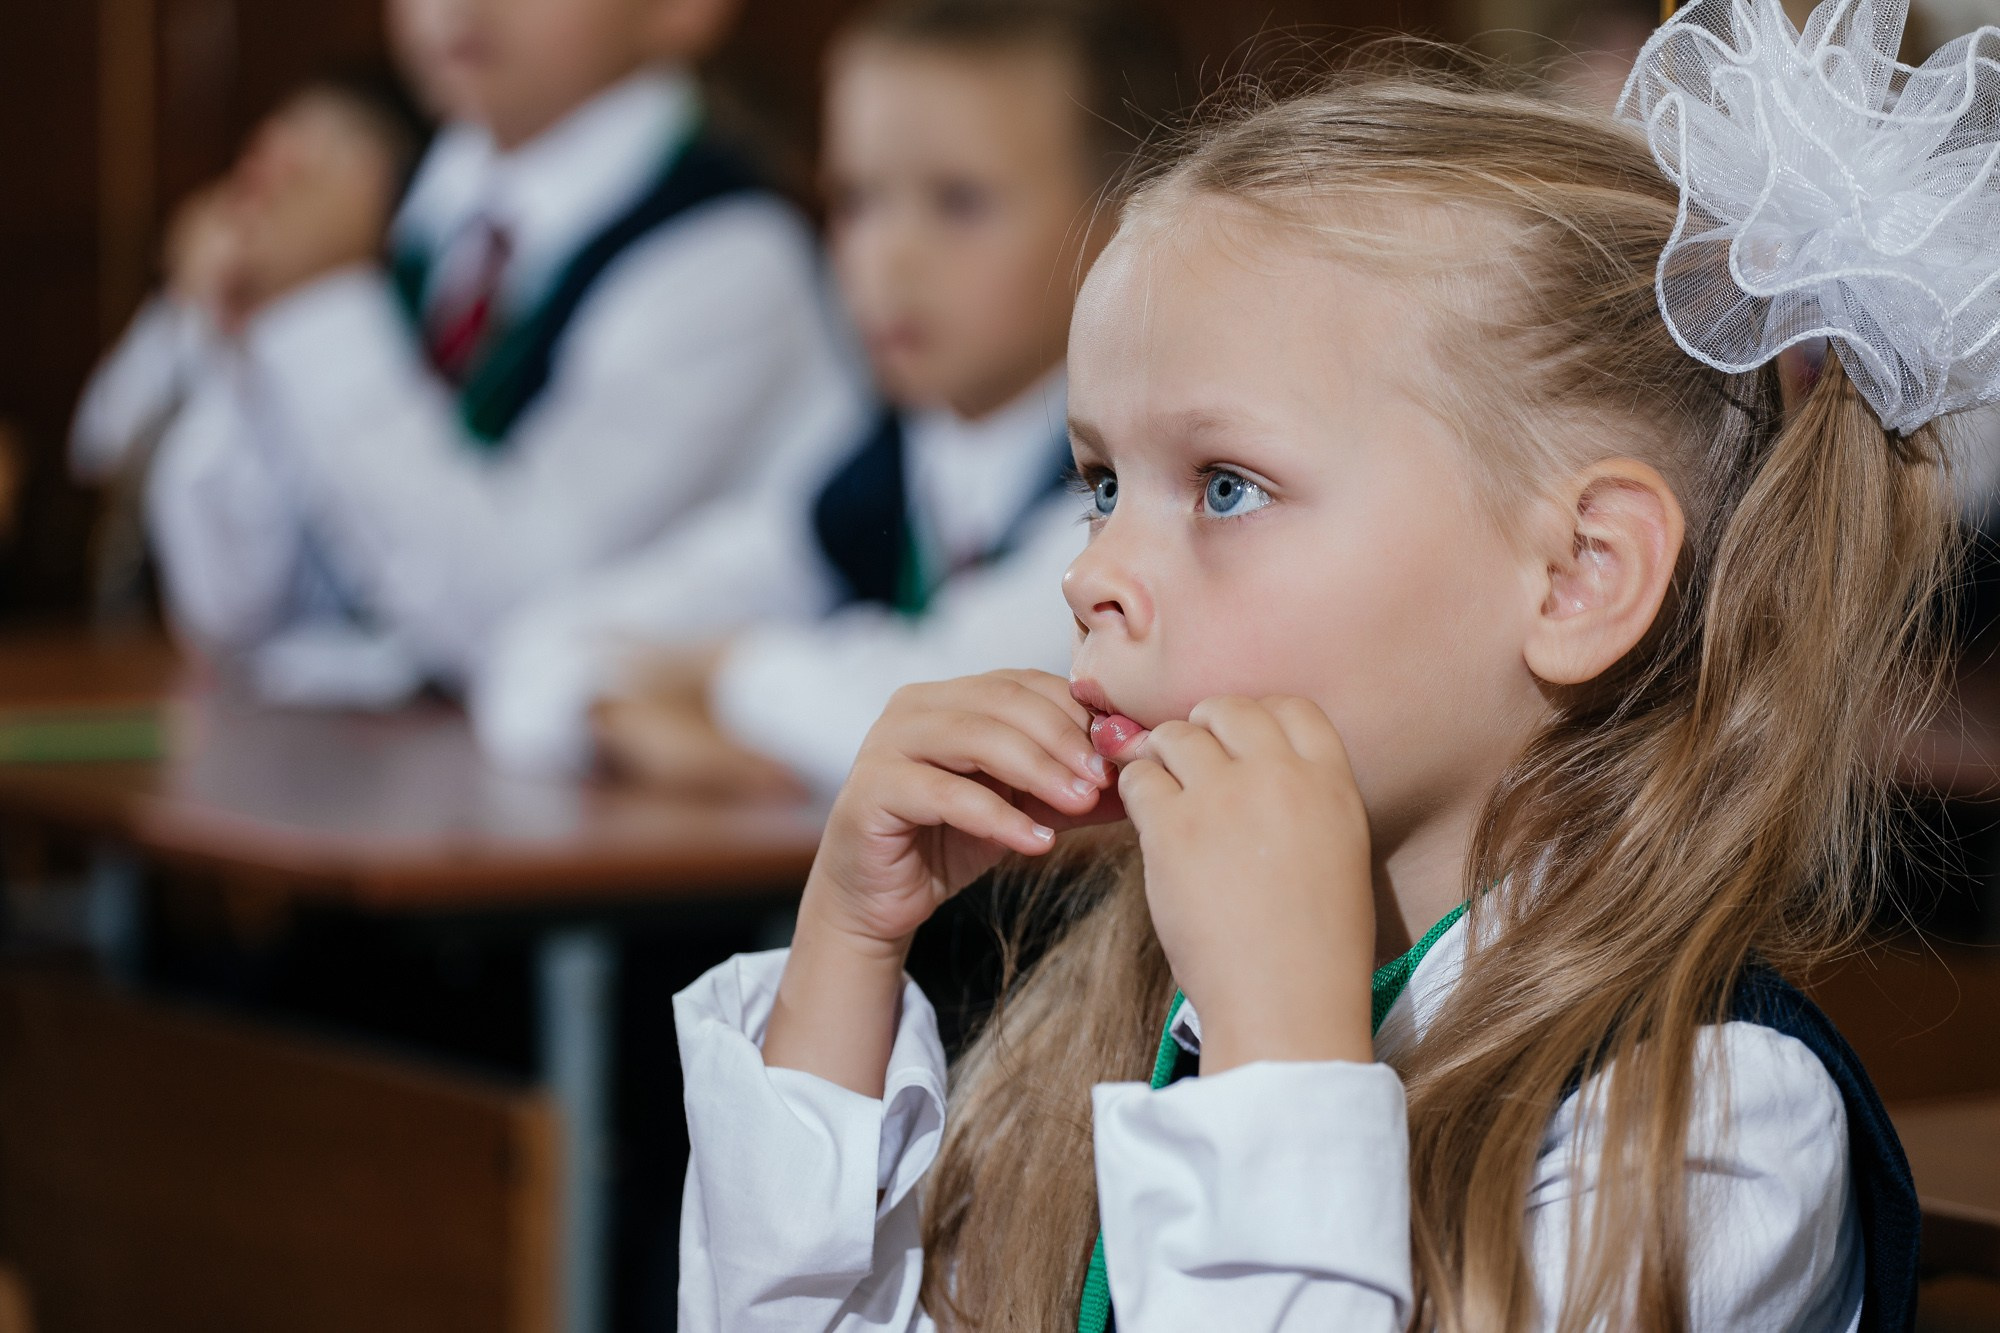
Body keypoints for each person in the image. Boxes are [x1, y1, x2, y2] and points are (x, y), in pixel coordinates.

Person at [671, 0, 2000, 1328]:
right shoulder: (1112, 1016)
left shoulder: (1706, 1127)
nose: (1090, 575)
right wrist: (844, 953)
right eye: (1100, 484)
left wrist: (1278, 1046)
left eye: (1226, 486)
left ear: (1578, 575)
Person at [473, 0, 1182, 795]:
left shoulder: (1144, 489)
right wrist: (608, 713)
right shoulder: (873, 466)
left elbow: (968, 706)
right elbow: (534, 649)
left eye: (959, 201)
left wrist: (727, 671)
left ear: (1127, 226)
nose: (889, 256)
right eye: (855, 199)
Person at [141, 0, 864, 706]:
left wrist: (323, 308)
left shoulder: (732, 258)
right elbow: (232, 611)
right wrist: (254, 323)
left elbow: (510, 623)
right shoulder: (408, 214)